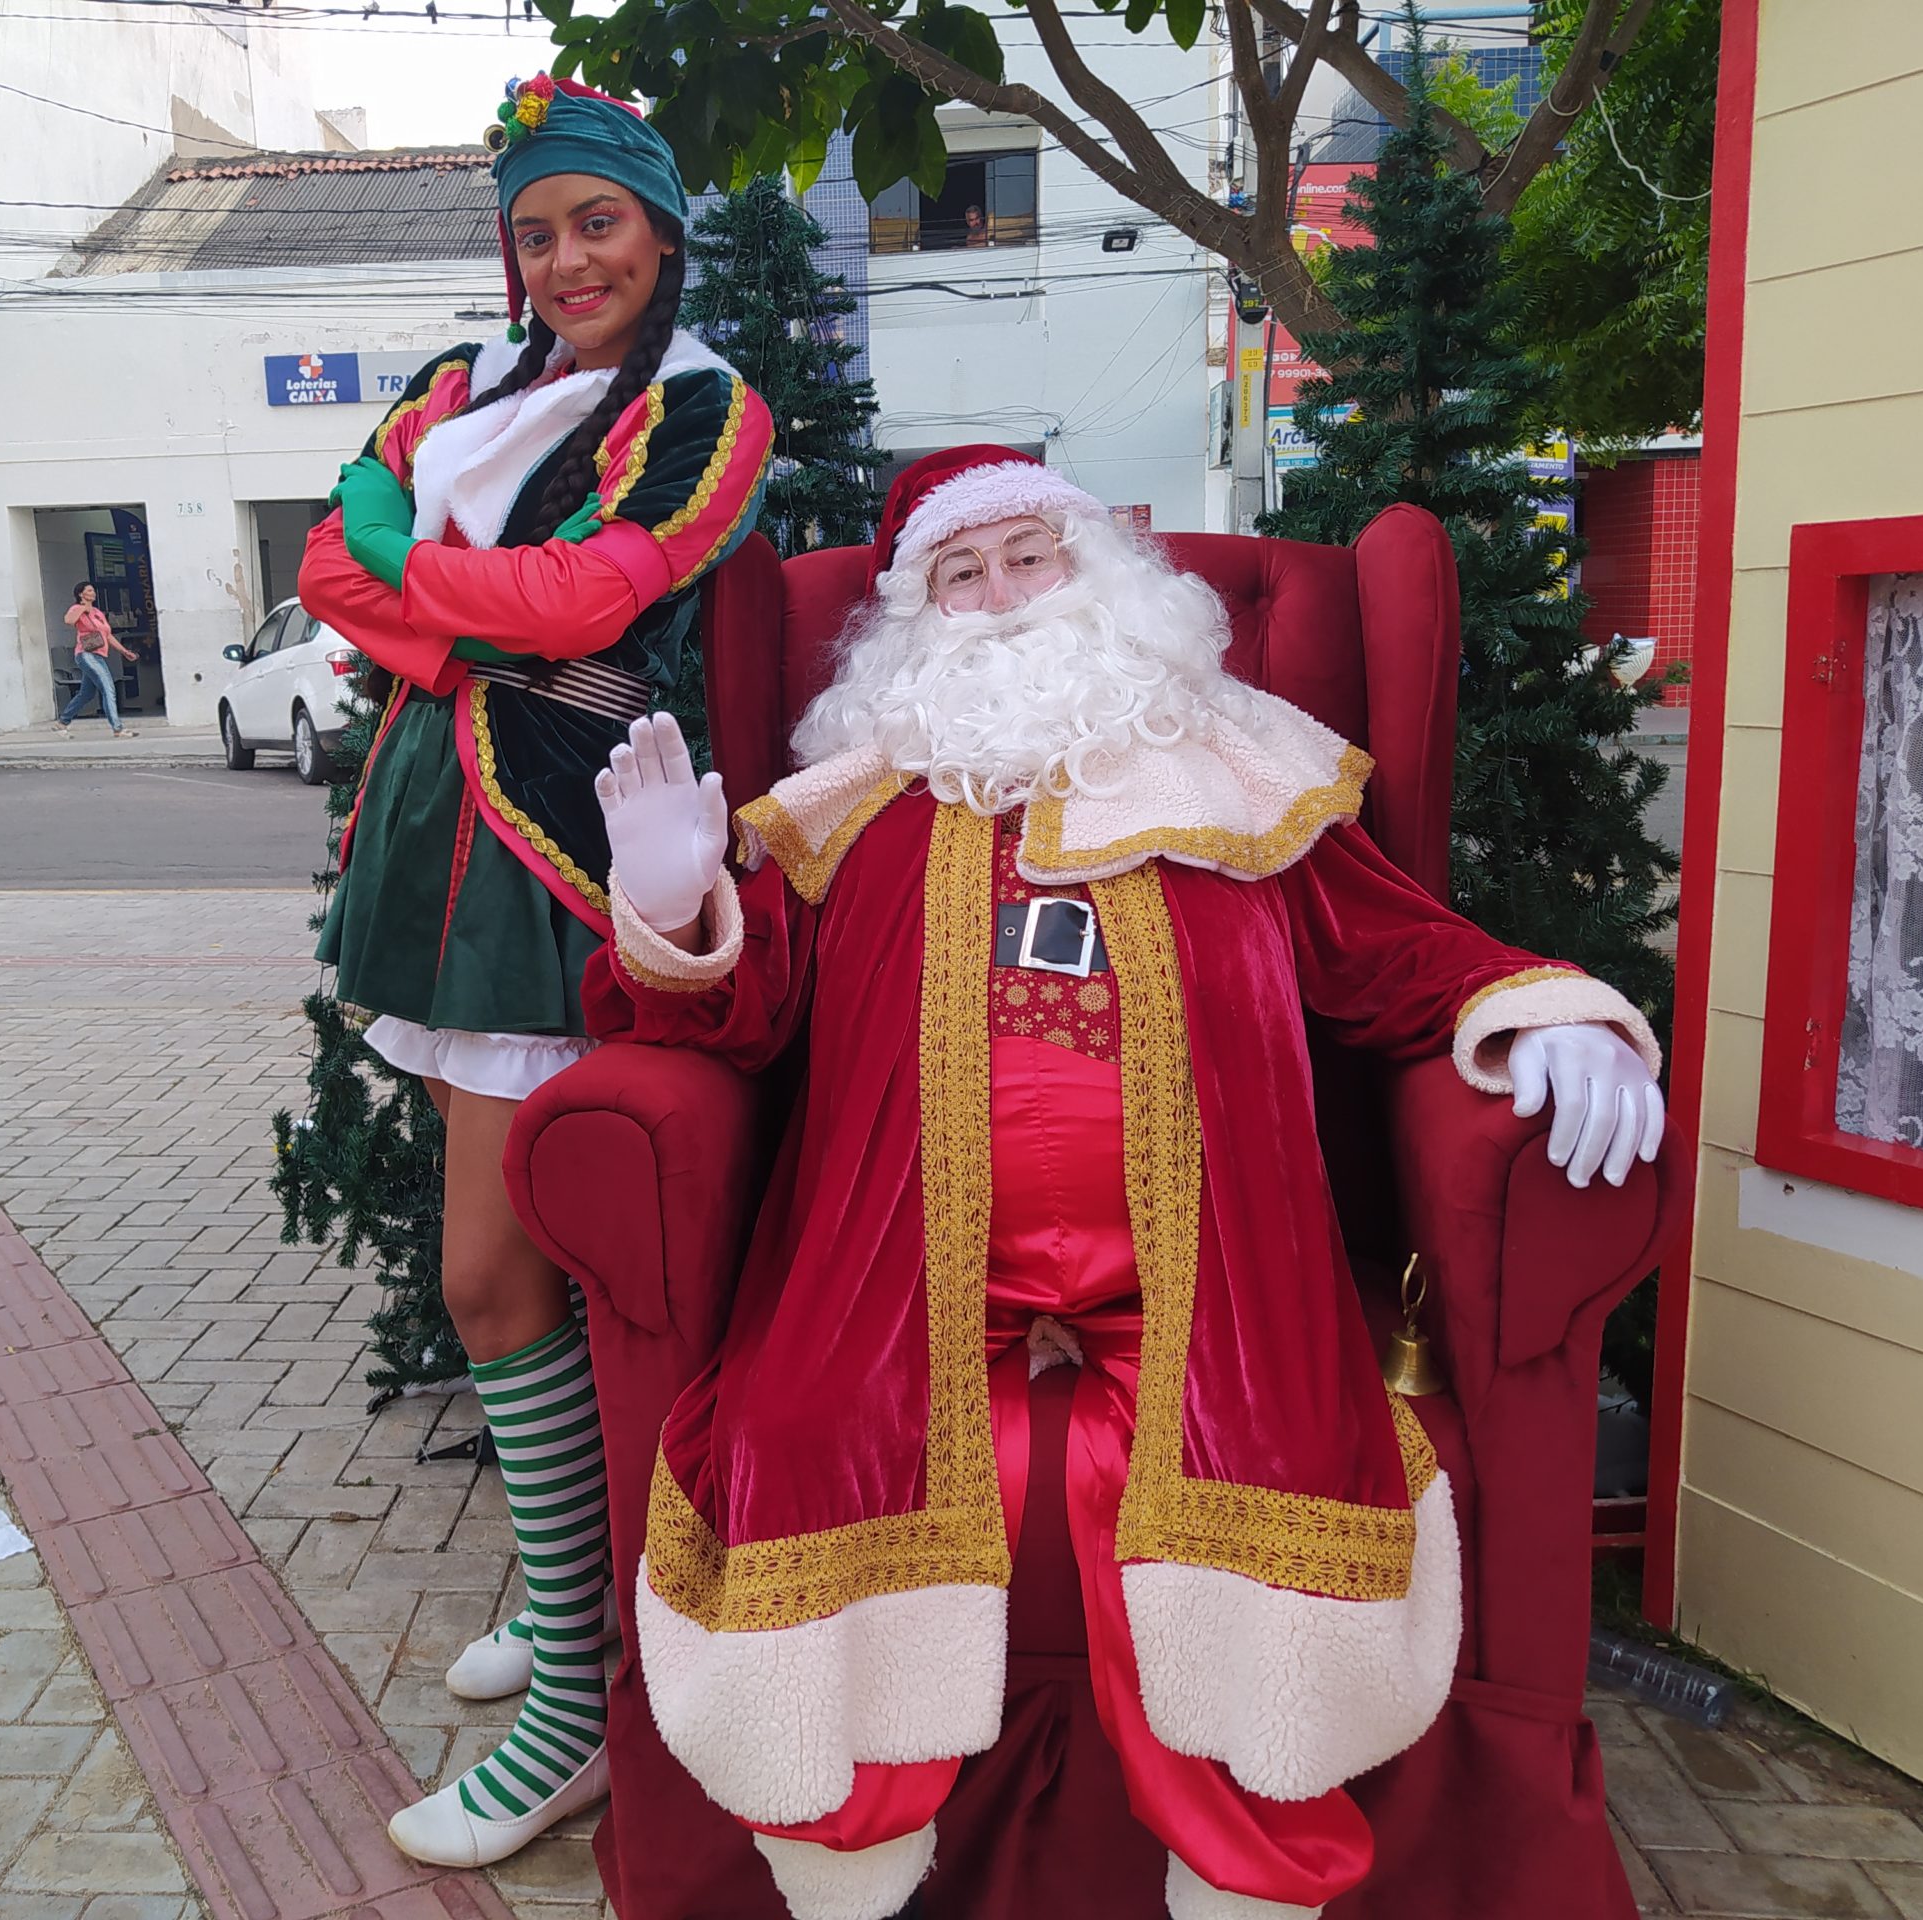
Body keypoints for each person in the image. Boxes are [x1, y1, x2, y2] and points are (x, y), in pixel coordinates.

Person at [586, 448, 1665, 1920]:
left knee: (1270, 1454)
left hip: (1213, 1267)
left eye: (1026, 557)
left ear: (1104, 575)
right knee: (806, 1437)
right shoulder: (854, 807)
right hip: (891, 1266)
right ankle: (841, 1855)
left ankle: (1251, 1872)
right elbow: (737, 1012)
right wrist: (672, 906)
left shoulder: (1242, 773)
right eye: (957, 576)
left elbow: (1392, 948)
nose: (998, 597)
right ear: (913, 621)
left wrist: (1552, 1005)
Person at [297, 72, 774, 1872]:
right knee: (511, 1259)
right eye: (540, 230)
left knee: (497, 1273)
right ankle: (561, 1587)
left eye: (600, 222)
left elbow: (598, 603)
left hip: (565, 847)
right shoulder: (456, 386)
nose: (570, 258)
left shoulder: (707, 403)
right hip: (432, 833)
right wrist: (436, 583)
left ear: (658, 231)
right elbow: (336, 570)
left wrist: (427, 575)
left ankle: (580, 1692)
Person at [55, 582, 138, 736]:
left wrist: (124, 651)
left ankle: (62, 722)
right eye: (89, 590)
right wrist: (82, 608)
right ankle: (117, 728)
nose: (93, 592)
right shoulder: (77, 609)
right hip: (86, 655)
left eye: (93, 590)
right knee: (108, 687)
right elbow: (68, 620)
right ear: (81, 594)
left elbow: (107, 635)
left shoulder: (98, 613)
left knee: (86, 694)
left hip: (98, 655)